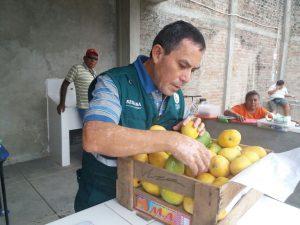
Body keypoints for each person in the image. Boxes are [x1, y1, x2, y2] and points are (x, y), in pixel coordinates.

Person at [74, 21, 211, 212]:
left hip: (151, 202)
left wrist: (193, 125)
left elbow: (186, 128)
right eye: (182, 66)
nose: (187, 78)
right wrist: (171, 140)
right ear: (157, 53)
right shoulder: (113, 83)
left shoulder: (176, 96)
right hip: (104, 200)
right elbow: (95, 136)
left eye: (192, 70)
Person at [57, 49, 99, 121]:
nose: (93, 61)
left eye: (95, 59)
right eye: (90, 58)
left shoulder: (94, 72)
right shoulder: (77, 68)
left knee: (93, 130)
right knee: (89, 129)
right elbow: (65, 85)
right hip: (84, 107)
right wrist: (61, 103)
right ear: (84, 58)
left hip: (94, 106)